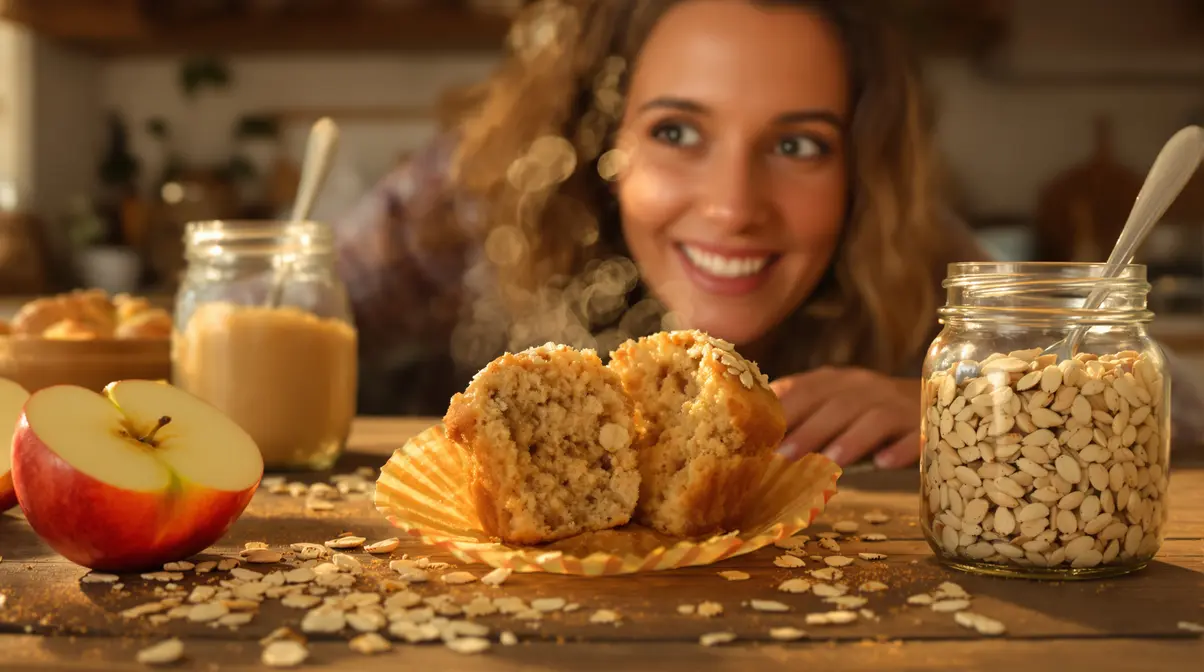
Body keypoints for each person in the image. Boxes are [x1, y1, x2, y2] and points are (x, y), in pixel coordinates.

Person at [334, 0, 1204, 468]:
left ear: (858, 169)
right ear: (603, 135)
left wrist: (973, 403)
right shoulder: (474, 204)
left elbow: (1185, 406)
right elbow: (280, 306)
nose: (733, 207)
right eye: (677, 131)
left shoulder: (911, 250)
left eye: (798, 146)